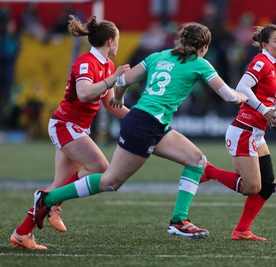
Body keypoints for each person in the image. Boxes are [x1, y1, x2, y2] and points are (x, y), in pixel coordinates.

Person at [32, 22, 247, 246]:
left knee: (196, 160)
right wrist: (244, 97)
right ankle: (49, 198)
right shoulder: (200, 63)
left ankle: (179, 220)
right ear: (203, 47)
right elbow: (229, 96)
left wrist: (120, 97)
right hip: (144, 125)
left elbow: (123, 80)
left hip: (151, 123)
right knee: (110, 181)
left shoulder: (158, 56)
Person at [10, 15, 130, 250]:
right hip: (65, 125)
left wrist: (139, 117)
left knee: (59, 185)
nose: (118, 44)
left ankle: (22, 232)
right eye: (117, 40)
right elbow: (84, 94)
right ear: (110, 41)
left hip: (76, 128)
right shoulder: (86, 62)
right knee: (103, 169)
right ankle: (53, 203)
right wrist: (112, 80)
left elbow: (108, 103)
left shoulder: (107, 65)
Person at [200, 24, 276, 241]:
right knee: (251, 187)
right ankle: (209, 171)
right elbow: (241, 88)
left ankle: (241, 231)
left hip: (256, 133)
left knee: (267, 187)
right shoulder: (262, 61)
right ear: (265, 45)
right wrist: (265, 110)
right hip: (244, 130)